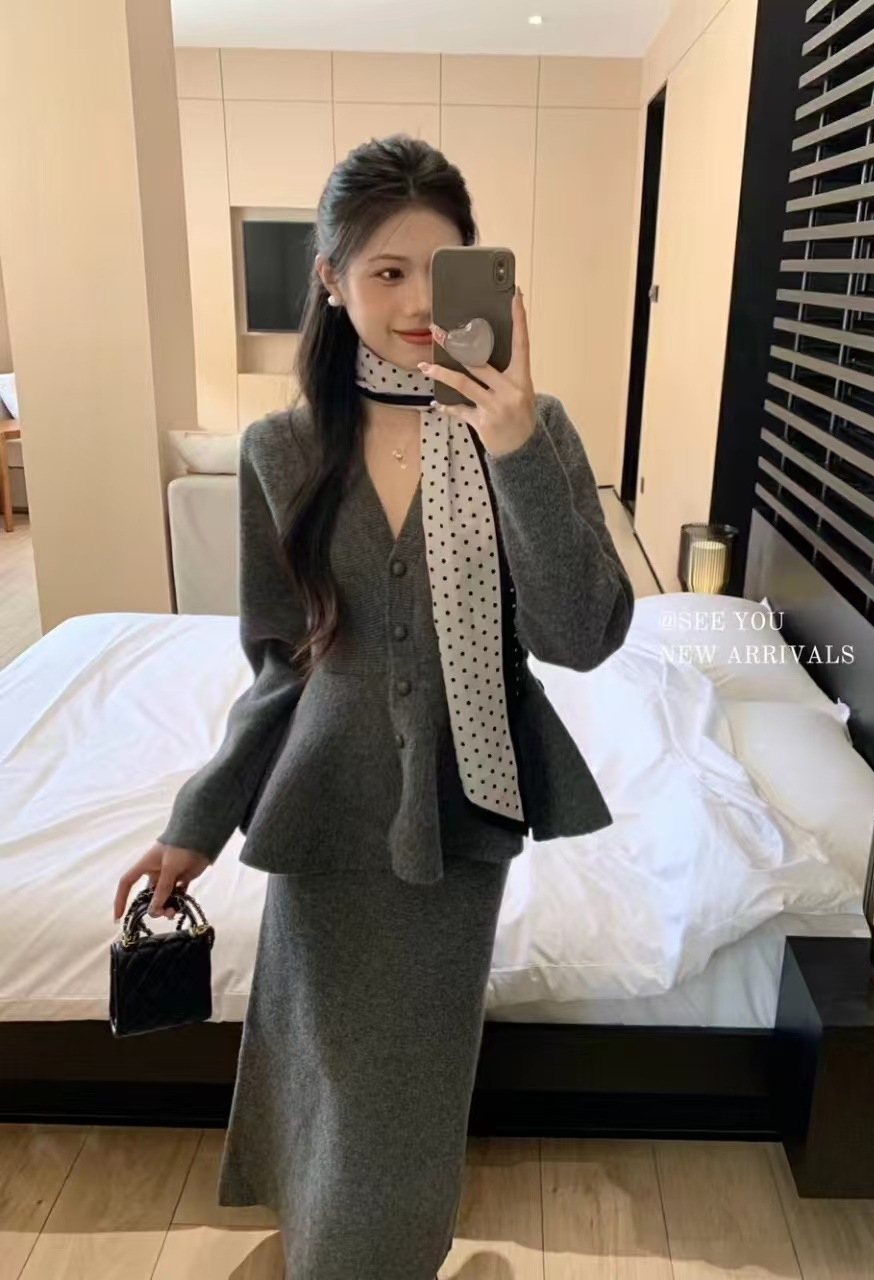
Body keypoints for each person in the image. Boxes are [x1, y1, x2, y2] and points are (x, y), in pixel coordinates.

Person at [113, 133, 635, 1280]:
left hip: (461, 811)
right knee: (324, 1070)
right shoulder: (280, 448)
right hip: (324, 811)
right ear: (330, 278)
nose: (413, 303)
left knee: (411, 1085)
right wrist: (197, 821)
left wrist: (512, 447)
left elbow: (581, 635)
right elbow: (282, 662)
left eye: (439, 271)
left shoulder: (535, 429)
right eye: (384, 271)